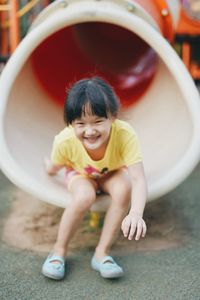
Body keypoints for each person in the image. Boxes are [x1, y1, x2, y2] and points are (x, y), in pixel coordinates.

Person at [42, 77, 147, 280]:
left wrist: (136, 213)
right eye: (81, 124)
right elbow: (56, 165)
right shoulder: (65, 140)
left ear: (113, 117)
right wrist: (49, 169)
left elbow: (138, 179)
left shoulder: (125, 134)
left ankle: (101, 253)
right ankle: (58, 251)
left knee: (124, 187)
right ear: (71, 123)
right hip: (81, 174)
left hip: (111, 173)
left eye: (98, 121)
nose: (90, 131)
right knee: (84, 196)